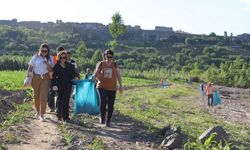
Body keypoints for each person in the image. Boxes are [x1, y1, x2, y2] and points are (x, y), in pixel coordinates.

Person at [93, 49, 123, 127]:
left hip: (112, 88)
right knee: (103, 102)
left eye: (110, 57)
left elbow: (118, 76)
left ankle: (108, 120)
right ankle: (102, 117)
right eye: (107, 56)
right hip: (101, 87)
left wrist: (121, 86)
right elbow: (96, 73)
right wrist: (92, 79)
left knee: (111, 104)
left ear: (112, 57)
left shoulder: (115, 65)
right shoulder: (101, 64)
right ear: (104, 56)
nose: (109, 58)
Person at [27, 43, 54, 121]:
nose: (44, 52)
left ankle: (42, 114)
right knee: (36, 96)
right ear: (40, 50)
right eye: (42, 50)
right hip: (35, 77)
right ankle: (37, 111)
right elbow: (30, 67)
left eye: (46, 51)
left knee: (43, 97)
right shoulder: (35, 57)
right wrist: (28, 77)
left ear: (48, 51)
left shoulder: (50, 58)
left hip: (45, 78)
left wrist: (47, 63)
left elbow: (51, 70)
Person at [52, 51, 79, 122]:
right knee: (60, 100)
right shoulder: (56, 66)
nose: (63, 59)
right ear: (58, 58)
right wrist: (54, 85)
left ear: (66, 58)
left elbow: (74, 74)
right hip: (59, 85)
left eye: (64, 57)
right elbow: (54, 76)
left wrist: (76, 77)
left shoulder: (70, 65)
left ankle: (66, 117)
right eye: (61, 58)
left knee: (66, 101)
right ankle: (59, 115)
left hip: (68, 85)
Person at [48, 46, 64, 112]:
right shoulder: (53, 59)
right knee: (52, 93)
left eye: (62, 52)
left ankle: (58, 107)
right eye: (59, 52)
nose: (60, 53)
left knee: (59, 93)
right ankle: (51, 107)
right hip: (53, 78)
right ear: (57, 52)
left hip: (61, 79)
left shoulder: (64, 59)